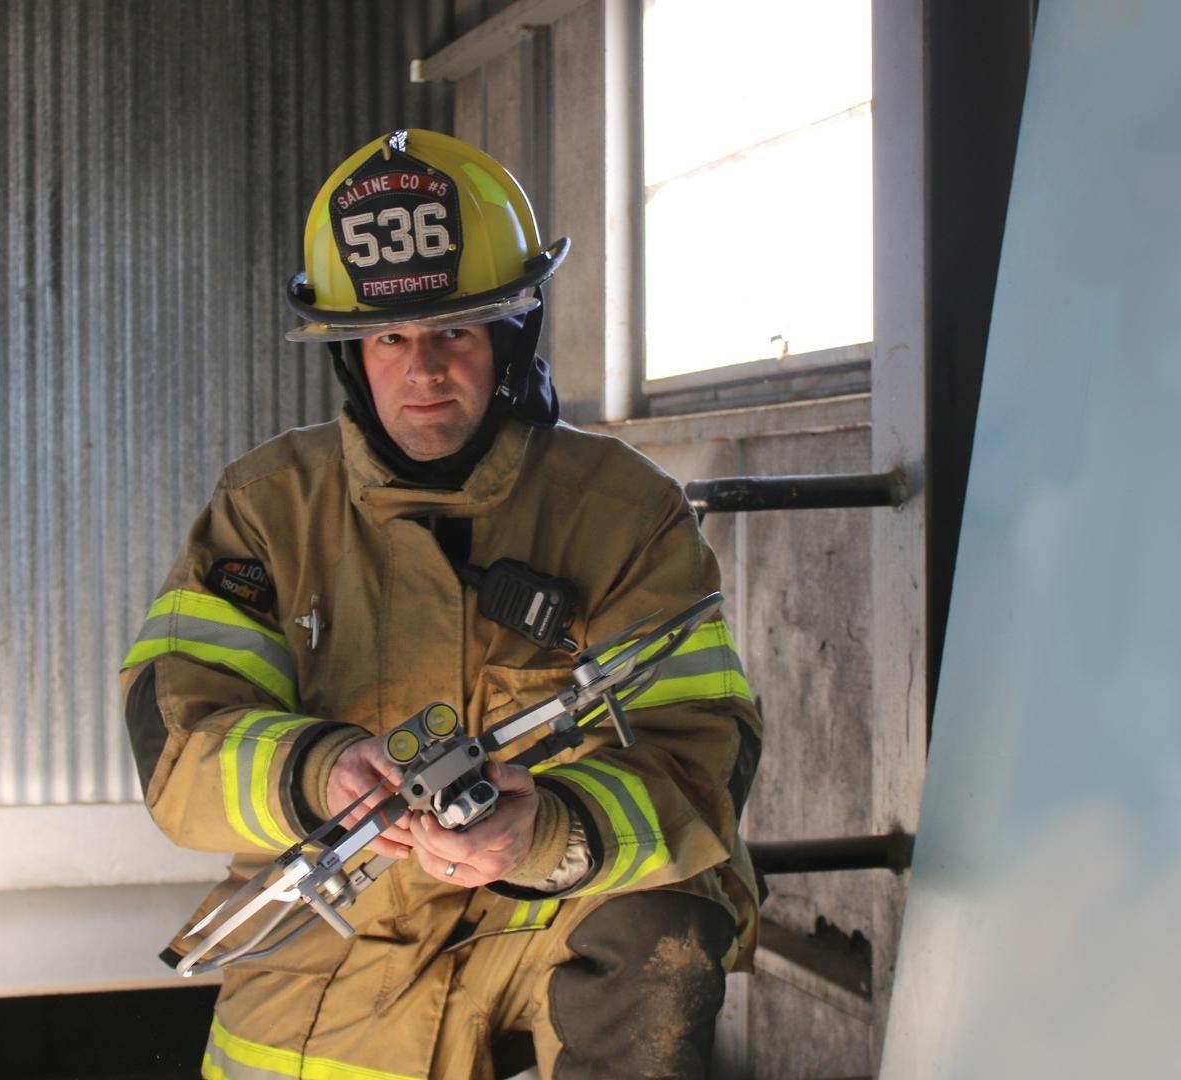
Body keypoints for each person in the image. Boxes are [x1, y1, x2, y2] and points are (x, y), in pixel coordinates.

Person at [122, 129, 763, 1080]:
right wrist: (322, 772)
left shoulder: (623, 513)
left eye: (455, 331)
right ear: (352, 354)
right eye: (389, 337)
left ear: (510, 335)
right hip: (340, 931)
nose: (422, 370)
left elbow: (705, 753)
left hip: (549, 911)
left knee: (664, 929)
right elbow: (180, 744)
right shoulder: (267, 510)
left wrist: (546, 829)